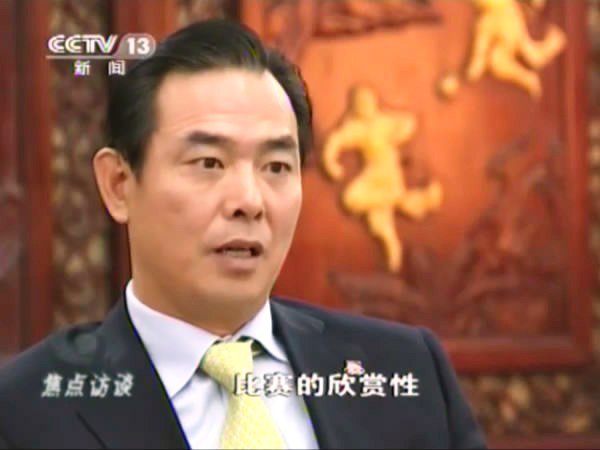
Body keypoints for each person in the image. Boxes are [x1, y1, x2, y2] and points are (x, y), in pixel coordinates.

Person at [0, 18, 487, 449]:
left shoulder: (404, 370)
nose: (249, 201)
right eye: (208, 163)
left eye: (276, 166)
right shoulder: (24, 411)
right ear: (119, 185)